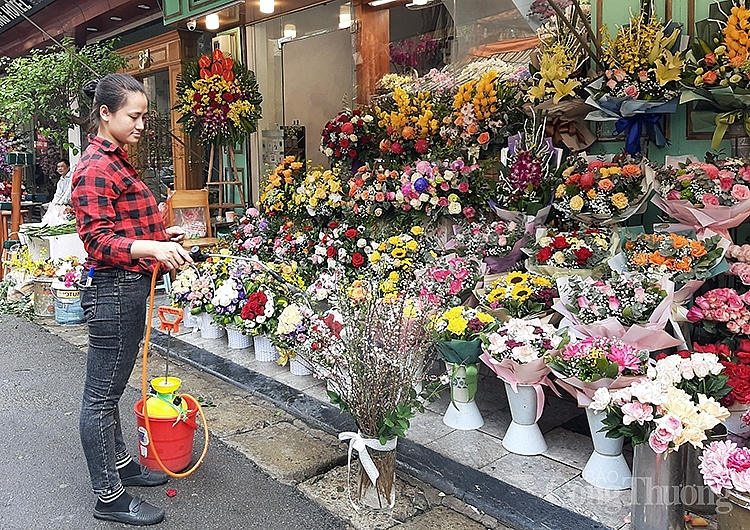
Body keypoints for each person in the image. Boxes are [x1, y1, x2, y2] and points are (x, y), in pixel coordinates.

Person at [71, 73, 193, 526]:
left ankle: (121, 466)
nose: (142, 124)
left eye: (144, 115)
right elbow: (98, 241)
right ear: (106, 113)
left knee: (112, 389)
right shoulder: (96, 167)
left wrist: (162, 236)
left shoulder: (116, 161)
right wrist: (153, 248)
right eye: (134, 116)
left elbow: (125, 227)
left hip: (127, 286)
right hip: (114, 289)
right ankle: (109, 497)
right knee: (101, 397)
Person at [40, 159, 73, 223]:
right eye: (58, 167)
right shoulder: (61, 180)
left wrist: (60, 203)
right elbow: (58, 194)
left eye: (62, 166)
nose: (60, 169)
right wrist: (54, 204)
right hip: (62, 202)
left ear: (68, 167)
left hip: (70, 202)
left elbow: (68, 192)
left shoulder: (72, 177)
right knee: (45, 208)